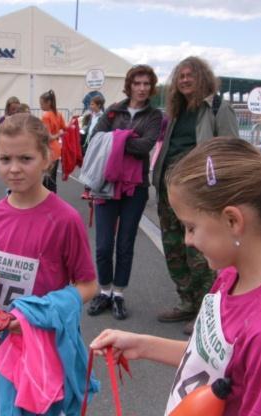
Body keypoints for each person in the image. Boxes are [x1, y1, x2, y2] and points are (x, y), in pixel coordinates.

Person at [91, 136, 261, 415]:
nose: (186, 240)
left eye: (191, 227)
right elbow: (214, 360)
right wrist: (142, 345)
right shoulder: (231, 274)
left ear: (232, 220)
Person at [0, 113, 97, 413]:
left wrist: (38, 315)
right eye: (5, 159)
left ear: (47, 159)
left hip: (39, 350)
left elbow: (88, 285)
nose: (14, 169)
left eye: (26, 158)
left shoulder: (65, 219)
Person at [152, 56, 239, 334]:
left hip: (198, 191)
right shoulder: (175, 111)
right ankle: (187, 301)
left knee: (199, 250)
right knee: (174, 247)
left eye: (190, 75)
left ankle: (206, 309)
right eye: (181, 76)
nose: (185, 80)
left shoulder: (216, 108)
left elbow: (230, 151)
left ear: (202, 78)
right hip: (169, 189)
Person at [86, 64, 162, 320]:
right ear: (129, 85)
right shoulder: (114, 110)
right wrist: (127, 137)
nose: (142, 88)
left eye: (146, 84)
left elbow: (146, 145)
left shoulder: (153, 115)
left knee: (126, 244)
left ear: (151, 87)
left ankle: (118, 293)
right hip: (107, 184)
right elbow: (95, 137)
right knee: (104, 245)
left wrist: (117, 138)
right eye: (137, 83)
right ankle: (104, 290)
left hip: (136, 186)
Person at [40, 90, 66, 193]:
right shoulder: (58, 114)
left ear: (48, 103)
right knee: (51, 179)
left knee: (48, 180)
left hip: (49, 150)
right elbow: (65, 128)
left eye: (42, 103)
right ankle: (52, 201)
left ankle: (48, 202)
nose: (41, 106)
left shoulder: (46, 116)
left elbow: (48, 137)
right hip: (56, 150)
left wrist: (58, 135)